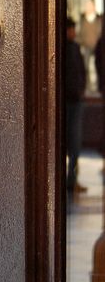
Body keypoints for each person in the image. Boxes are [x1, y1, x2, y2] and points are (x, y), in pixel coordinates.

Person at [65, 17, 87, 194]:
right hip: (72, 100)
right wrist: (79, 90)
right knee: (74, 141)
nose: (73, 32)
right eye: (71, 29)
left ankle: (71, 180)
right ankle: (71, 180)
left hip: (72, 99)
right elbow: (78, 73)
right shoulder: (71, 49)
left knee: (72, 141)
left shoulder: (73, 48)